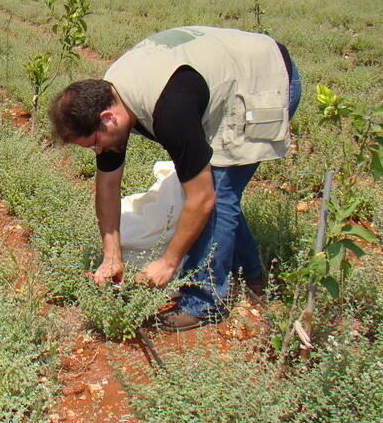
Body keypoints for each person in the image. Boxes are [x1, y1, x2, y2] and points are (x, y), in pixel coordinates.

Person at [49, 26, 302, 332]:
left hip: (265, 78)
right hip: (217, 79)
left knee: (217, 194)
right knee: (216, 189)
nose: (98, 151)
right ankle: (249, 273)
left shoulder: (169, 110)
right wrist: (112, 255)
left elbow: (203, 198)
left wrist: (168, 263)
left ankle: (205, 302)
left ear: (107, 118)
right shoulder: (111, 97)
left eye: (94, 143)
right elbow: (107, 184)